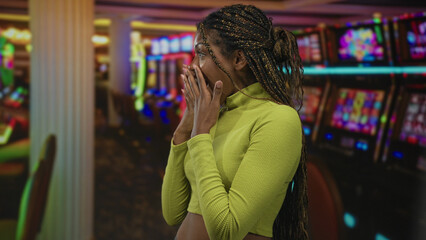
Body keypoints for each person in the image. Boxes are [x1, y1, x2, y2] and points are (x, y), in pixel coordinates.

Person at [161, 4, 308, 240]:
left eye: (202, 54)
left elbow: (225, 231)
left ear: (239, 59)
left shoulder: (278, 119)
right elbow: (173, 213)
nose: (194, 66)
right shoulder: (217, 113)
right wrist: (185, 127)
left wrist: (200, 134)